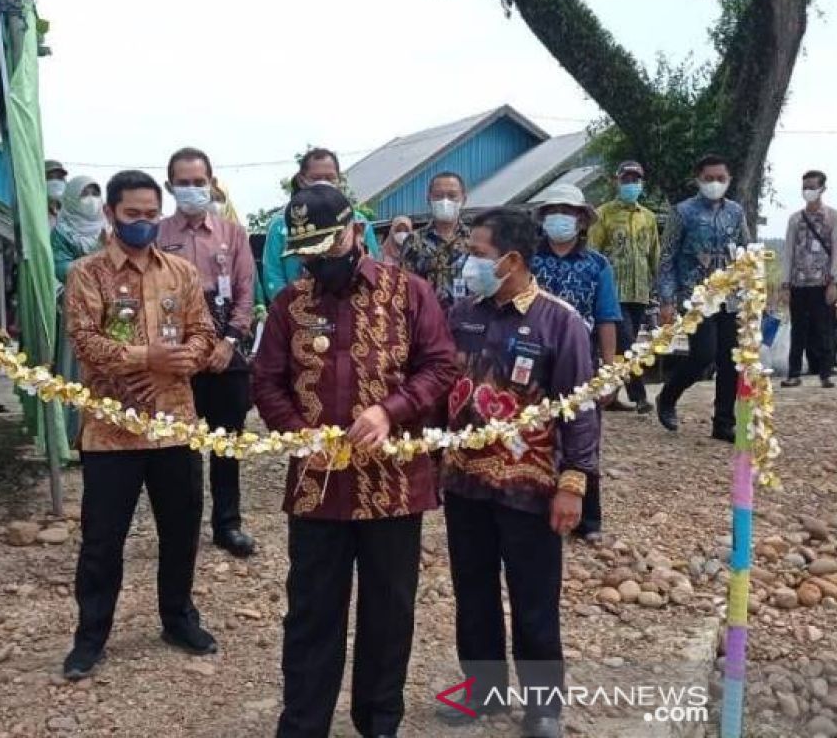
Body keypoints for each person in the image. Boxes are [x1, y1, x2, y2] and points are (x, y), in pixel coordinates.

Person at [253, 183, 457, 737]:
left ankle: (379, 720)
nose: (319, 262)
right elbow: (267, 382)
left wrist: (391, 411)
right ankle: (303, 724)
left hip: (394, 485)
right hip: (317, 488)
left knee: (389, 614)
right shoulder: (289, 304)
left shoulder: (408, 293)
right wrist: (297, 432)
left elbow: (440, 367)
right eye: (307, 254)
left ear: (353, 232)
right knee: (312, 613)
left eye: (326, 247)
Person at [438, 207, 599, 738]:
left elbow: (580, 407)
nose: (469, 263)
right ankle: (483, 691)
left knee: (533, 596)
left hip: (529, 487)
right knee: (473, 590)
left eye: (479, 254)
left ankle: (543, 706)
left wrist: (574, 483)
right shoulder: (463, 314)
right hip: (465, 483)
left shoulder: (560, 322)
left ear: (511, 259)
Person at [61, 170, 218, 680]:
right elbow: (84, 340)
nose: (144, 223)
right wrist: (143, 357)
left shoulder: (181, 272)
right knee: (103, 539)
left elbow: (202, 333)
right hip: (112, 430)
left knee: (181, 528)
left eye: (152, 214)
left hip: (175, 424)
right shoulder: (87, 273)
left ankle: (178, 617)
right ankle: (90, 637)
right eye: (133, 215)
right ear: (111, 213)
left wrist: (175, 363)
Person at [158, 148, 258, 557]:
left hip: (225, 353)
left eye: (199, 182)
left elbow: (246, 293)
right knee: (178, 448)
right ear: (169, 186)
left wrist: (228, 341)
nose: (192, 189)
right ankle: (180, 528)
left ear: (212, 182)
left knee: (226, 444)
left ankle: (227, 524)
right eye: (183, 182)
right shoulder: (160, 235)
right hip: (175, 357)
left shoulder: (232, 234)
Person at [530, 182, 621, 543]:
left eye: (567, 212)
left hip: (583, 363)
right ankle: (537, 507)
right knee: (536, 433)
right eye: (553, 211)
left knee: (583, 436)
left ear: (582, 220)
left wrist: (611, 372)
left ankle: (588, 517)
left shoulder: (597, 266)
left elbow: (607, 318)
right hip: (534, 359)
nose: (560, 219)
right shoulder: (530, 260)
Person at [656, 154, 751, 443]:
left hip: (730, 297)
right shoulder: (682, 212)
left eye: (721, 178)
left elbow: (747, 251)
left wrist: (751, 290)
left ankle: (724, 422)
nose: (715, 183)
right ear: (698, 179)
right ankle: (668, 396)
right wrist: (667, 299)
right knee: (703, 354)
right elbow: (667, 258)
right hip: (695, 297)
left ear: (729, 180)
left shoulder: (735, 212)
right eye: (709, 178)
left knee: (730, 359)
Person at [588, 161, 660, 413]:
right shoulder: (603, 214)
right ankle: (639, 395)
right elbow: (593, 254)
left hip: (639, 292)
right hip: (612, 292)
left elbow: (654, 254)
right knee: (627, 343)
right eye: (626, 179)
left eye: (636, 180)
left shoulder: (648, 218)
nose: (631, 184)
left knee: (621, 346)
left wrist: (659, 288)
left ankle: (611, 393)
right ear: (616, 181)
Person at [261, 149, 381, 301]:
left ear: (339, 180)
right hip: (297, 312)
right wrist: (289, 311)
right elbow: (273, 276)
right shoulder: (281, 226)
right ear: (301, 180)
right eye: (316, 178)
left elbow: (371, 266)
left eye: (330, 178)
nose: (324, 183)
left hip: (351, 308)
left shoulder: (358, 222)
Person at [52, 175, 109, 444]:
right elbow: (61, 269)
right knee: (76, 371)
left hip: (110, 313)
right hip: (77, 310)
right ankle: (75, 433)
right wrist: (95, 259)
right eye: (84, 193)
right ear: (72, 198)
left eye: (95, 193)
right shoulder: (61, 233)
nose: (90, 200)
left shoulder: (109, 228)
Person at [781, 170, 837, 388]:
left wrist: (834, 281)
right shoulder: (795, 219)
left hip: (822, 283)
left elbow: (835, 251)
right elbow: (788, 252)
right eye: (805, 187)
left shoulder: (832, 217)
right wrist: (785, 284)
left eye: (812, 187)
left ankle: (825, 373)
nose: (808, 191)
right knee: (798, 328)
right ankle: (794, 373)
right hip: (798, 283)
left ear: (822, 188)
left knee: (824, 328)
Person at [400, 170, 471, 310]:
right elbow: (405, 285)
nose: (445, 201)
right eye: (438, 196)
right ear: (429, 200)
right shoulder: (414, 241)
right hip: (428, 320)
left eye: (452, 196)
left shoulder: (474, 240)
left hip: (468, 321)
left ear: (463, 200)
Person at [46, 159, 69, 226]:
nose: (55, 181)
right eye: (50, 177)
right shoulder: (32, 210)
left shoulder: (70, 212)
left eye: (59, 177)